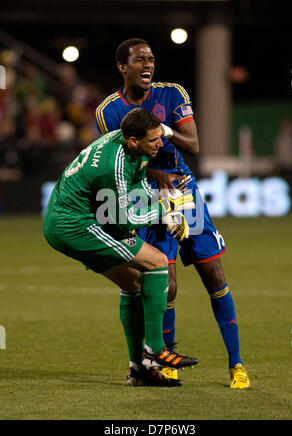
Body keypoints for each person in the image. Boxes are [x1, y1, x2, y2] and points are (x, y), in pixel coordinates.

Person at [95, 38, 250, 389]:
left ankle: (237, 364)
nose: (148, 65)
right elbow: (119, 164)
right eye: (139, 60)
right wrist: (154, 176)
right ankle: (166, 363)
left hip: (183, 191)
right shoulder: (108, 112)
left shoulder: (173, 95)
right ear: (123, 66)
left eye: (151, 59)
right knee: (164, 284)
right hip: (146, 198)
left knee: (213, 274)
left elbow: (193, 146)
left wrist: (164, 131)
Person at [43, 108, 198, 387]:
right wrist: (166, 212)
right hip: (75, 224)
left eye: (159, 137)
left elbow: (136, 190)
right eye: (153, 141)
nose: (160, 144)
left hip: (84, 218)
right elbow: (124, 219)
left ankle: (138, 370)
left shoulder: (132, 149)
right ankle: (154, 348)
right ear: (133, 141)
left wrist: (161, 207)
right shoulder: (112, 165)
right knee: (157, 261)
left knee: (133, 282)